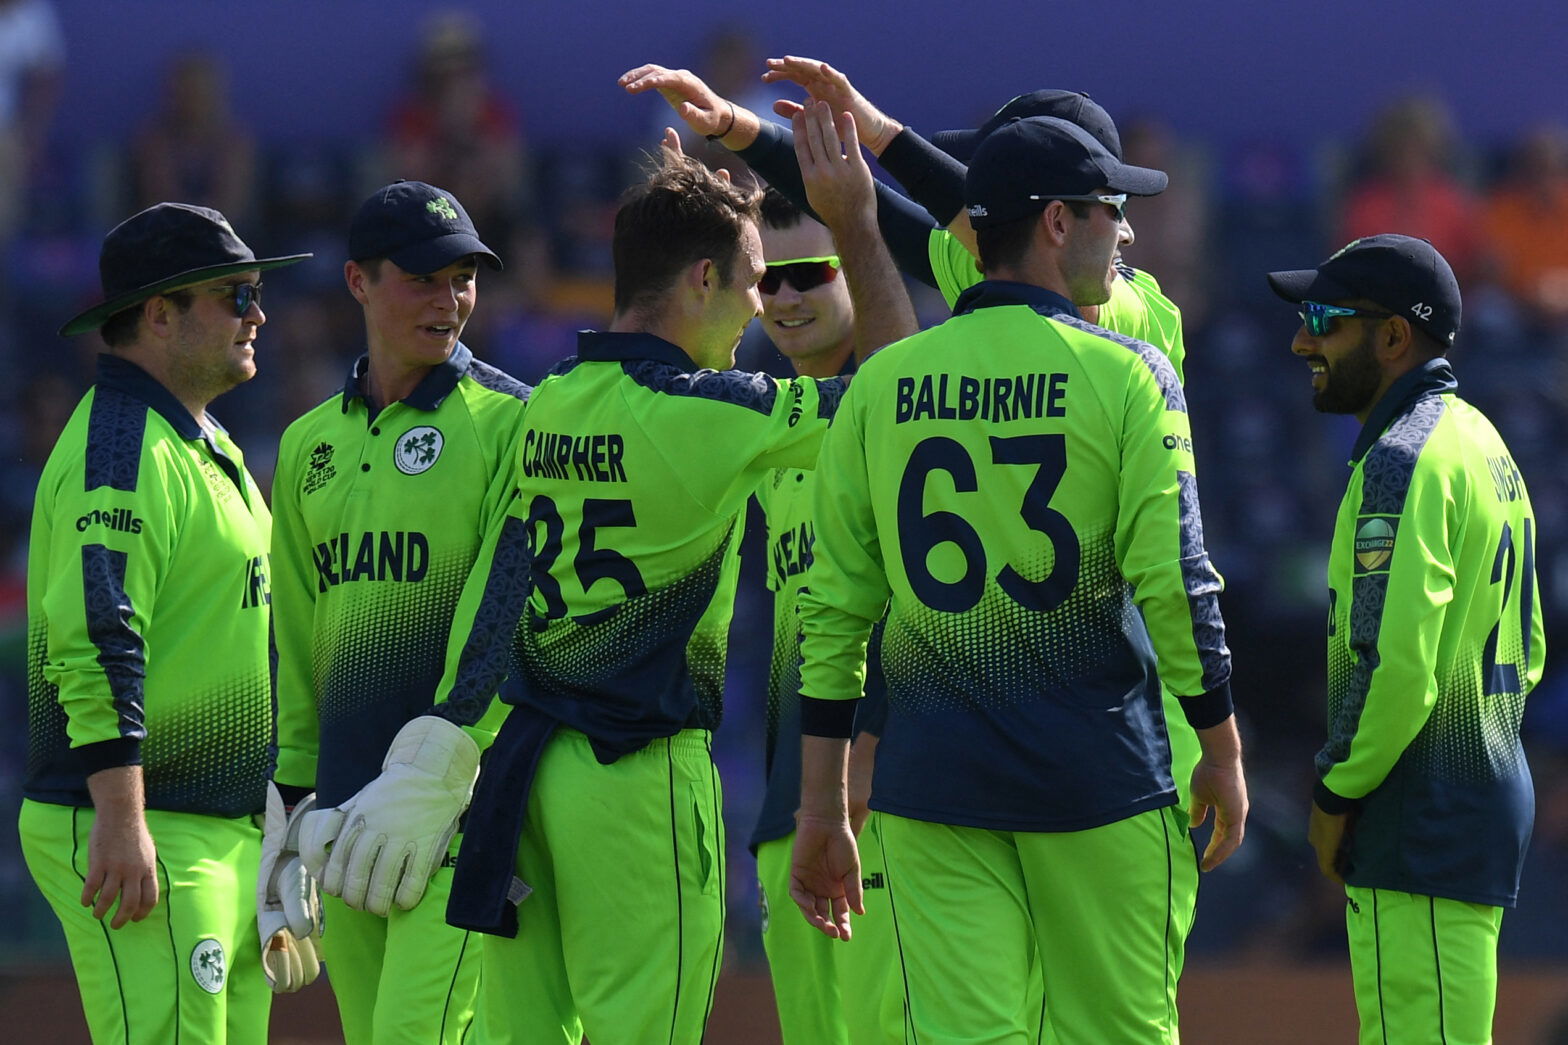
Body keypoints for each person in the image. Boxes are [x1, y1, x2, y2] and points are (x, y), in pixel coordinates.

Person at [423, 108, 910, 1043]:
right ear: (699, 279)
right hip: (636, 778)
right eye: (752, 283)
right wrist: (855, 226)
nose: (760, 311)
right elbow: (897, 392)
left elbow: (503, 582)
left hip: (521, 773)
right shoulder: (710, 411)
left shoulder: (552, 400)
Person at [790, 116, 1248, 1044]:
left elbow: (833, 612)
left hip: (933, 788)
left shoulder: (882, 385)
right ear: (1054, 223)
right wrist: (1224, 748)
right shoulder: (1130, 373)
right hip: (1100, 779)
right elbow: (1176, 582)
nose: (1125, 231)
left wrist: (820, 803)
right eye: (1110, 210)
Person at [20, 202, 309, 1042]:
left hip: (210, 827)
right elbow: (95, 633)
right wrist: (120, 815)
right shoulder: (123, 447)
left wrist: (277, 818)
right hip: (146, 824)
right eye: (235, 294)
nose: (258, 313)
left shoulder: (196, 439)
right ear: (159, 313)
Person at [268, 180, 528, 1044]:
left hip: (460, 806)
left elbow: (511, 615)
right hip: (343, 818)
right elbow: (300, 640)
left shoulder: (513, 421)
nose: (450, 299)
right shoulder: (308, 445)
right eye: (423, 277)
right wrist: (291, 802)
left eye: (464, 278)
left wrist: (450, 767)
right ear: (358, 282)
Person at [1267, 234, 1543, 1044]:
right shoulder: (1483, 443)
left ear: (1394, 337)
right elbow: (1527, 652)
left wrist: (1335, 792)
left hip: (1417, 815)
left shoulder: (1400, 457)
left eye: (1325, 319)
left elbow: (1398, 667)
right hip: (1474, 800)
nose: (1301, 341)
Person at [748, 186, 906, 1043]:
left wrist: (869, 754)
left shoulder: (903, 414)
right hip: (793, 815)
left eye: (806, 274)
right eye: (765, 281)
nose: (784, 298)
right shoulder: (768, 427)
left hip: (883, 805)